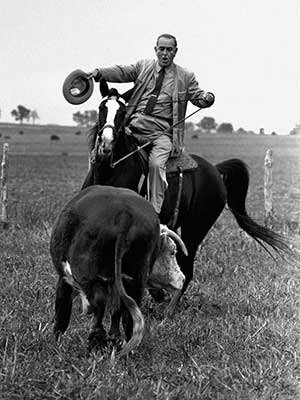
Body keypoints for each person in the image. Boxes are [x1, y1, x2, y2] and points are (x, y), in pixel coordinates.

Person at [87, 33, 215, 215]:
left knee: (155, 164)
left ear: (175, 52)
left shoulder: (186, 77)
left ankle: (153, 212)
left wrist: (206, 99)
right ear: (155, 50)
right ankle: (88, 196)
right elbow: (122, 72)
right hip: (133, 126)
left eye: (169, 50)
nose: (164, 53)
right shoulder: (143, 67)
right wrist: (99, 73)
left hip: (161, 134)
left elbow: (197, 96)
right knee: (102, 148)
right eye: (161, 49)